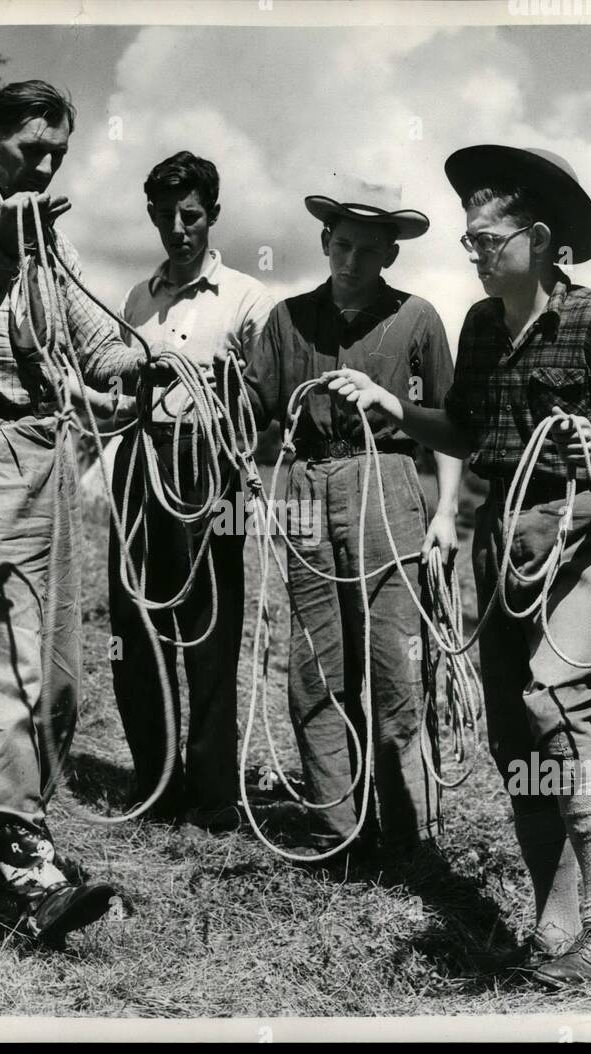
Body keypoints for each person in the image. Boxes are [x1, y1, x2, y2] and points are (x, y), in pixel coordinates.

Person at [328, 146, 591, 985]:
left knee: (556, 702)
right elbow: (469, 435)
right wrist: (396, 408)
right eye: (467, 240)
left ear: (540, 239)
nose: (472, 252)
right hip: (504, 536)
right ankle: (554, 926)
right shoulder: (480, 327)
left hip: (585, 532)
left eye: (486, 238)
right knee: (516, 730)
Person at [0, 79, 174, 943]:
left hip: (44, 456)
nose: (47, 164)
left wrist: (143, 367)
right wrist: (10, 246)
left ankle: (24, 827)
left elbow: (93, 338)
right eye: (31, 149)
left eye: (58, 152)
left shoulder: (46, 241)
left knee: (57, 672)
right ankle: (21, 867)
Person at [243, 175, 461, 865]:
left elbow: (451, 426)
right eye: (341, 245)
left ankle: (408, 837)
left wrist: (447, 511)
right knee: (314, 664)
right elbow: (253, 415)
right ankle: (337, 832)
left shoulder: (419, 319)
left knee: (394, 661)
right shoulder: (286, 320)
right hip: (305, 485)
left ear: (390, 253)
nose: (351, 261)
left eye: (368, 250)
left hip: (389, 482)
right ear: (323, 242)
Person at [109, 151, 273, 831]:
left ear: (212, 214)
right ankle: (155, 783)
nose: (180, 228)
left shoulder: (246, 297)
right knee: (137, 623)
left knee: (209, 624)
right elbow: (117, 392)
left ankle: (212, 795)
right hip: (138, 461)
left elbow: (264, 401)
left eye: (193, 215)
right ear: (151, 214)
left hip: (207, 469)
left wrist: (231, 423)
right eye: (167, 215)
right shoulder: (136, 299)